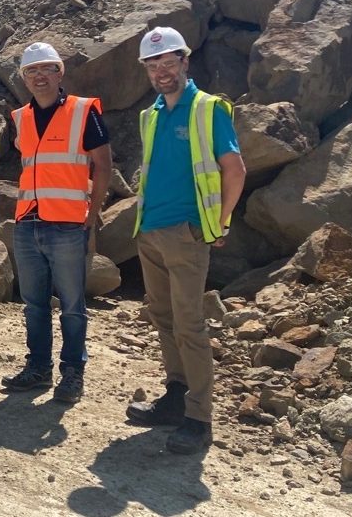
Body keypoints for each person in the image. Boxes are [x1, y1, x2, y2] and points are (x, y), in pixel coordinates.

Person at [124, 26, 246, 454]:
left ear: (185, 61)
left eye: (168, 62)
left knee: (190, 324)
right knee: (163, 316)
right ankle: (175, 397)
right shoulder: (151, 115)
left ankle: (199, 418)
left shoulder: (208, 108)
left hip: (187, 232)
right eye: (153, 65)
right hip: (151, 230)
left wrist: (220, 222)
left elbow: (235, 170)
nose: (161, 71)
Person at [1, 42, 112, 404]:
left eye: (46, 69)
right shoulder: (21, 118)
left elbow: (104, 165)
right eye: (31, 71)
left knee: (72, 304)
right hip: (28, 222)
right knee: (33, 303)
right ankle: (38, 367)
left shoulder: (83, 112)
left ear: (59, 72)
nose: (39, 76)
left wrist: (92, 217)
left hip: (67, 224)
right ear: (24, 78)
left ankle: (72, 372)